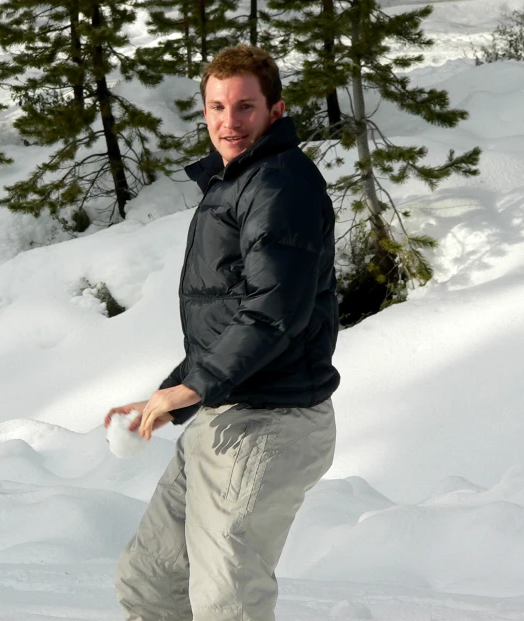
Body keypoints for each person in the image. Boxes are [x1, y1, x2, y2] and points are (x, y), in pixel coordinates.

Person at [106, 44, 340, 621]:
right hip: (225, 413)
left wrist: (190, 390)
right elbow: (232, 315)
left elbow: (274, 310)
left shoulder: (282, 186)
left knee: (226, 604)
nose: (228, 122)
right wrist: (174, 394)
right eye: (216, 107)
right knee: (150, 585)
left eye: (244, 107)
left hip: (268, 424)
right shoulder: (239, 182)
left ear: (275, 111)